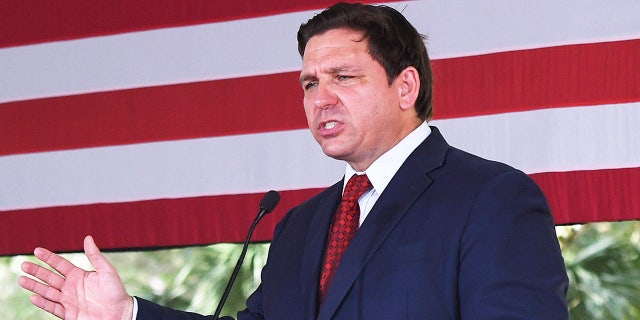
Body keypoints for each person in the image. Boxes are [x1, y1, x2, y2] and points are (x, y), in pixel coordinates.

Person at [19, 3, 569, 319]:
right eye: (309, 83)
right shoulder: (300, 225)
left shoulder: (491, 198)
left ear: (406, 87)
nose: (320, 99)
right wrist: (127, 315)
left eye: (343, 78)